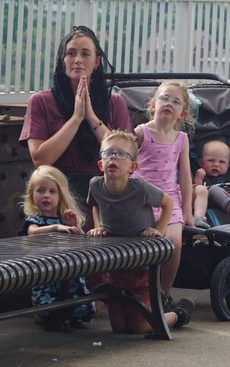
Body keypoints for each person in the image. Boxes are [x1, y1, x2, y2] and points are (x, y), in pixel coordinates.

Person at [19, 25, 132, 225]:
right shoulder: (41, 101)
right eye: (71, 53)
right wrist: (76, 118)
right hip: (58, 193)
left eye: (85, 54)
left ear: (97, 62)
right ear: (63, 61)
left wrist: (91, 117)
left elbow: (125, 155)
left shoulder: (115, 103)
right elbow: (41, 159)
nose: (77, 60)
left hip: (102, 190)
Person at [86, 130, 194, 334]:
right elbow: (95, 204)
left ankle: (177, 315)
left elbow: (167, 203)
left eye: (121, 155)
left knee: (140, 326)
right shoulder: (96, 185)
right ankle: (136, 312)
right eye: (108, 154)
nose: (113, 158)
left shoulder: (140, 188)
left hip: (142, 262)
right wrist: (99, 225)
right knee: (119, 328)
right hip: (116, 260)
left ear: (133, 167)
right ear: (100, 164)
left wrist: (158, 230)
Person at [132, 81, 194, 305]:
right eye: (165, 98)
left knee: (174, 242)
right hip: (141, 200)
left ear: (183, 112)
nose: (169, 104)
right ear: (153, 104)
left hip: (169, 200)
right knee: (139, 244)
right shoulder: (141, 133)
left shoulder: (181, 139)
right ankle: (137, 291)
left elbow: (185, 176)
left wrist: (187, 210)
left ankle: (162, 293)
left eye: (176, 101)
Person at [20, 165, 95, 331]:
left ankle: (73, 317)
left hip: (69, 270)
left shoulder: (64, 219)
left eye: (52, 191)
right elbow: (32, 233)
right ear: (32, 195)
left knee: (78, 298)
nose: (46, 195)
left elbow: (83, 241)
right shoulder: (35, 220)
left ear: (60, 195)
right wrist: (55, 228)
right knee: (49, 301)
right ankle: (50, 318)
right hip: (46, 273)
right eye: (40, 191)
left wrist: (74, 226)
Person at [192, 139, 230, 228]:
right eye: (210, 160)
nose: (216, 164)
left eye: (222, 162)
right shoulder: (203, 176)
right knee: (213, 189)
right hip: (215, 202)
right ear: (200, 162)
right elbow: (197, 192)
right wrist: (198, 178)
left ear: (228, 166)